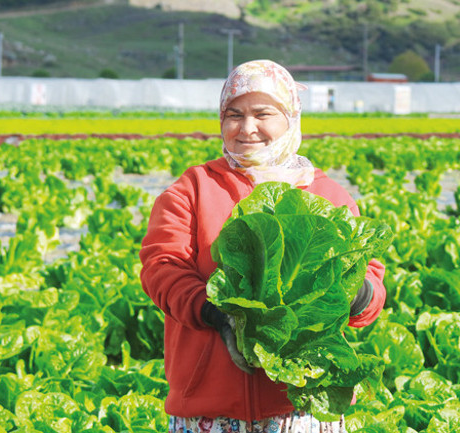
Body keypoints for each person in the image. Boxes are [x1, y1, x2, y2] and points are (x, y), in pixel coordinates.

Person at [139, 59, 387, 432]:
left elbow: (371, 280)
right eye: (234, 114)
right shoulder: (193, 189)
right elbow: (162, 267)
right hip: (209, 407)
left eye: (263, 114)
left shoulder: (328, 195)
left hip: (303, 402)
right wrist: (217, 315)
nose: (247, 128)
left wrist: (354, 292)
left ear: (291, 117)